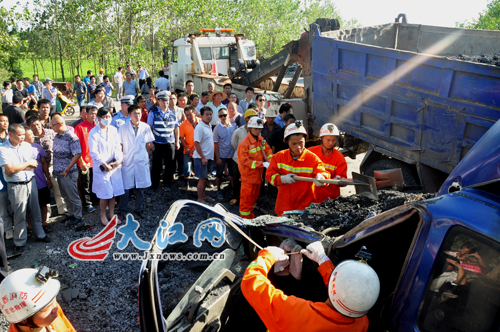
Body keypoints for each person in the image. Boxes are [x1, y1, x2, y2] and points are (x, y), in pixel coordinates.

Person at [241, 241, 379, 332]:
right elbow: (344, 290)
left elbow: (251, 282)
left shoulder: (294, 315)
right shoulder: (361, 322)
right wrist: (322, 260)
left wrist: (267, 256)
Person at [0, 124, 50, 255]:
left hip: (31, 181)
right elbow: (10, 170)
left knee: (35, 210)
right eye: (19, 135)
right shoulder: (3, 149)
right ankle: (19, 242)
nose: (22, 137)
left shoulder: (27, 146)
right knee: (19, 214)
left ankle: (40, 234)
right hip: (16, 185)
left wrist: (18, 167)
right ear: (10, 134)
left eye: (23, 134)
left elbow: (34, 163)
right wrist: (25, 164)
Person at [266, 121, 330, 216]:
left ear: (305, 140)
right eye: (294, 143)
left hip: (305, 209)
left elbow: (324, 173)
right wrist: (282, 179)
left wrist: (322, 178)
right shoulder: (279, 157)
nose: (298, 147)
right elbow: (269, 176)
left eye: (301, 143)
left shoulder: (312, 158)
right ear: (286, 142)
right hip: (284, 208)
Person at [0, 266, 77, 331]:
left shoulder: (52, 311)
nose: (56, 307)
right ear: (24, 320)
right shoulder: (50, 314)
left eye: (54, 300)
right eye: (48, 307)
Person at [89, 107, 124, 225]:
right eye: (104, 117)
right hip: (102, 166)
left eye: (109, 117)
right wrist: (103, 164)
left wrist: (118, 160)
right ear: (98, 118)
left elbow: (117, 147)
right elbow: (93, 152)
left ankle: (112, 214)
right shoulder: (94, 132)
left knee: (113, 191)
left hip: (113, 166)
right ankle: (103, 214)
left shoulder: (114, 130)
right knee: (104, 193)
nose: (107, 119)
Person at [118, 104, 155, 219]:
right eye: (135, 114)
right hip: (127, 160)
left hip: (141, 159)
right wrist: (120, 159)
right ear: (130, 115)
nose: (138, 116)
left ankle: (138, 209)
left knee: (140, 186)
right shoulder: (123, 128)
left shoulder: (145, 127)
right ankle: (122, 210)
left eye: (140, 113)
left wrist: (147, 157)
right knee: (126, 187)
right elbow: (120, 145)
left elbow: (148, 144)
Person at [28, 116, 67, 216]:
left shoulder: (50, 132)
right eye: (33, 126)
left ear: (41, 124)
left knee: (57, 187)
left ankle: (62, 208)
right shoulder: (30, 138)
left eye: (37, 124)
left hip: (53, 164)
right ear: (29, 128)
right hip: (39, 168)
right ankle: (47, 212)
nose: (36, 127)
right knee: (44, 189)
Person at [51, 115, 83, 226]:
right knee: (65, 195)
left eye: (53, 125)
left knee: (73, 195)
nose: (51, 127)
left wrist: (68, 167)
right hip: (59, 172)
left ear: (60, 124)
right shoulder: (57, 136)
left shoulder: (71, 137)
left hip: (68, 172)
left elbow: (78, 153)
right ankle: (70, 213)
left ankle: (78, 216)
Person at [237, 117, 273, 218]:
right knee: (246, 203)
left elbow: (268, 151)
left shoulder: (261, 140)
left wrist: (270, 160)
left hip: (257, 178)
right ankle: (245, 222)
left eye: (259, 129)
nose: (258, 130)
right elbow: (245, 161)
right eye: (256, 128)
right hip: (248, 179)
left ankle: (250, 217)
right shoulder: (244, 144)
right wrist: (262, 164)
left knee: (253, 200)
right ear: (250, 128)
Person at [147, 91, 180, 192]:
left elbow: (176, 128)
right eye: (162, 101)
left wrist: (177, 141)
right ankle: (154, 185)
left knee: (170, 164)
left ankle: (167, 184)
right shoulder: (153, 113)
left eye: (166, 101)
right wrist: (151, 142)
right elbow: (150, 128)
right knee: (156, 165)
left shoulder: (173, 113)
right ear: (158, 101)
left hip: (170, 143)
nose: (165, 103)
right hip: (158, 143)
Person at [309, 123, 347, 203]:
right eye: (328, 140)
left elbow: (343, 180)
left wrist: (339, 180)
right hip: (312, 198)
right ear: (321, 138)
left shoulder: (339, 157)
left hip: (331, 200)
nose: (331, 143)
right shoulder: (310, 152)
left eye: (333, 140)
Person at [24, 126, 52, 233]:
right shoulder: (18, 149)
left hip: (40, 180)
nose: (33, 136)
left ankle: (44, 222)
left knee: (43, 202)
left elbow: (44, 163)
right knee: (27, 206)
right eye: (30, 135)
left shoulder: (37, 147)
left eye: (32, 134)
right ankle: (30, 226)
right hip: (27, 182)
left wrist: (47, 178)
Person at [230, 109, 258, 205]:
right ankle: (235, 197)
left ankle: (248, 199)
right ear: (246, 119)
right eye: (251, 117)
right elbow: (234, 144)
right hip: (238, 160)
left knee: (249, 181)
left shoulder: (257, 132)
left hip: (250, 161)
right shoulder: (238, 131)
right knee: (237, 179)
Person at [74, 105, 97, 213]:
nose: (93, 115)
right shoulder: (80, 127)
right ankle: (87, 203)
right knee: (85, 183)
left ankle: (95, 200)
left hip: (96, 160)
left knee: (95, 181)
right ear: (86, 114)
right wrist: (81, 161)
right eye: (91, 113)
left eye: (95, 113)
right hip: (85, 160)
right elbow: (76, 146)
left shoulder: (97, 126)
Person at [213, 108, 237, 200]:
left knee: (232, 173)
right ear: (219, 117)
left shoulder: (234, 126)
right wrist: (218, 158)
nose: (223, 117)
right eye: (220, 116)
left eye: (224, 115)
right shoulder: (217, 128)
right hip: (222, 154)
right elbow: (215, 144)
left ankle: (233, 189)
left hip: (232, 154)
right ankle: (218, 190)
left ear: (228, 115)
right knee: (219, 173)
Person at [193, 106, 214, 203]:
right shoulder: (200, 127)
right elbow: (196, 143)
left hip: (208, 157)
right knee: (202, 179)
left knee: (205, 178)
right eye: (207, 114)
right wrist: (203, 157)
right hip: (201, 158)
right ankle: (200, 199)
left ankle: (204, 196)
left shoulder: (209, 125)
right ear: (201, 116)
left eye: (210, 114)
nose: (209, 116)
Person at [179, 106, 200, 190]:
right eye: (186, 115)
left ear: (194, 113)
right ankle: (186, 184)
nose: (188, 117)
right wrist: (186, 148)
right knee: (187, 167)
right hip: (188, 150)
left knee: (200, 167)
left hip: (199, 150)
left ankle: (203, 183)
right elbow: (181, 137)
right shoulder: (183, 124)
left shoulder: (201, 122)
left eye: (190, 114)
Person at [0, 114, 14, 241]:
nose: (4, 123)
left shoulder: (11, 136)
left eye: (6, 120)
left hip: (14, 175)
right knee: (3, 207)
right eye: (2, 121)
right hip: (1, 178)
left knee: (15, 204)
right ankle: (8, 230)